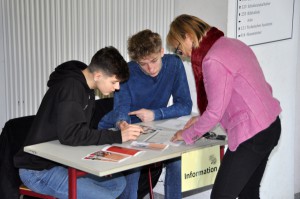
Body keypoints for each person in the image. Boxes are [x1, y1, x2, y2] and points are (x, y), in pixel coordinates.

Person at [167, 14, 282, 199]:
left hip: (252, 135)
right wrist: (200, 119)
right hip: (270, 126)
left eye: (179, 50)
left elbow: (214, 112)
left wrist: (187, 134)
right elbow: (237, 94)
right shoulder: (232, 44)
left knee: (221, 196)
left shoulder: (212, 60)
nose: (185, 56)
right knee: (248, 193)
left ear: (188, 36)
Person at [14, 46, 144, 199]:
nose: (117, 87)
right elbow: (71, 135)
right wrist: (117, 137)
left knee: (118, 183)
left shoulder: (86, 89)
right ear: (98, 75)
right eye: (114, 82)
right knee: (105, 196)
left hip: (61, 161)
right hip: (38, 170)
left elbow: (78, 132)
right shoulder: (71, 87)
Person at [99, 29, 193, 199]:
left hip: (153, 127)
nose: (150, 68)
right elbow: (121, 108)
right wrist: (122, 124)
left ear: (162, 52)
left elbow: (185, 105)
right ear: (136, 61)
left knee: (177, 161)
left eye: (154, 61)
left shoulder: (174, 64)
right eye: (143, 63)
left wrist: (155, 114)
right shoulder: (128, 71)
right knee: (133, 166)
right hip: (122, 126)